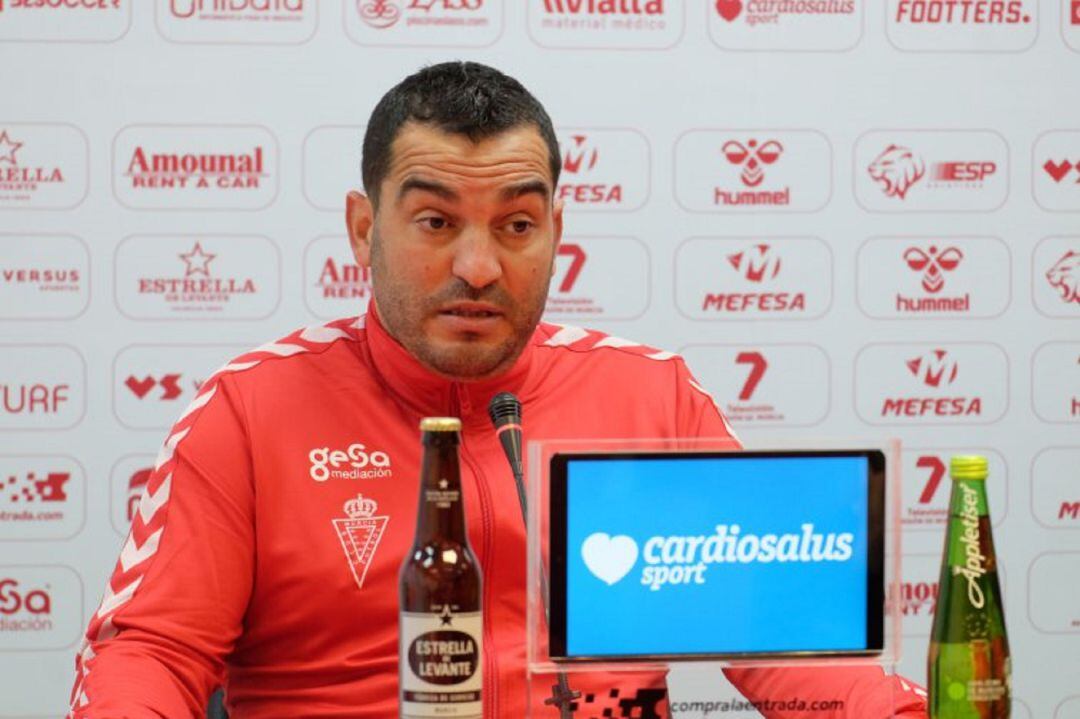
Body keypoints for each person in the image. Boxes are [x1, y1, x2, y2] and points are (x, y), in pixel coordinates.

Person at [68, 62, 927, 718]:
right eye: (436, 221)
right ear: (364, 230)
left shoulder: (648, 395)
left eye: (516, 225)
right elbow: (150, 653)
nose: (478, 267)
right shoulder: (251, 411)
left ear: (556, 230)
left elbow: (780, 638)